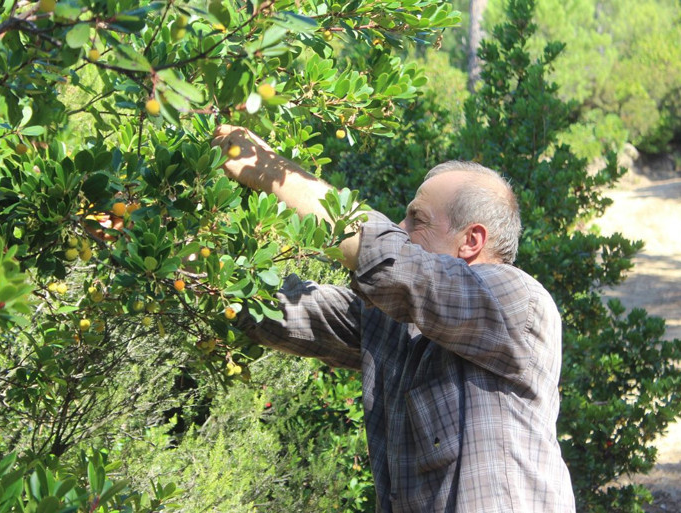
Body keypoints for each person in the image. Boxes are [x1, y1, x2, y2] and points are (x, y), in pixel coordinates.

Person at [211, 125, 576, 512]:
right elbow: (280, 309)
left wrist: (268, 169)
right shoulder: (398, 321)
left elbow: (394, 261)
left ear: (471, 241)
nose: (401, 230)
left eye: (417, 219)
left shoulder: (517, 300)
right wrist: (192, 262)